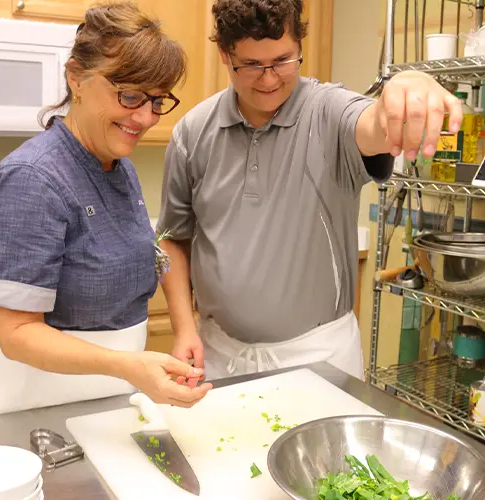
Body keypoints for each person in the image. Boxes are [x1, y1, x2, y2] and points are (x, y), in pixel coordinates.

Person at [156, 0, 463, 381]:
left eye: (283, 60)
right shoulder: (192, 132)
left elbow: (373, 124)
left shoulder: (329, 112)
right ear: (224, 54)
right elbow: (172, 238)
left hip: (318, 355)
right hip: (219, 352)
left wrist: (407, 85)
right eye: (251, 65)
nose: (268, 79)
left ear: (300, 44)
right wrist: (185, 327)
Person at [0, 1, 212, 425]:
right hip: (28, 409)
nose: (145, 117)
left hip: (95, 398)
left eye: (157, 100)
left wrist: (185, 327)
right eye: (129, 95)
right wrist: (130, 366)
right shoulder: (32, 179)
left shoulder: (116, 163)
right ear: (77, 78)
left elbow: (148, 249)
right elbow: (16, 335)